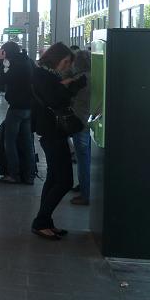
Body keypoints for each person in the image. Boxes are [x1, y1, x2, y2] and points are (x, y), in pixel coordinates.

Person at [31, 42, 84, 240]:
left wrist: (65, 85)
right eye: (66, 61)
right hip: (52, 132)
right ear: (57, 58)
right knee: (65, 181)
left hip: (52, 131)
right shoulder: (43, 75)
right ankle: (40, 222)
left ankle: (45, 221)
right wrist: (72, 87)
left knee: (54, 178)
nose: (67, 66)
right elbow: (55, 100)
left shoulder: (44, 74)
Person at [0, 41, 35, 185]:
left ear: (7, 52)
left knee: (10, 141)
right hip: (28, 107)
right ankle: (29, 175)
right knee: (27, 142)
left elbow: (2, 80)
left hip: (16, 107)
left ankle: (14, 174)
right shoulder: (27, 61)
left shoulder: (16, 64)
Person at [69, 49, 92, 206]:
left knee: (82, 159)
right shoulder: (95, 76)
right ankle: (85, 186)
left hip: (79, 122)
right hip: (91, 121)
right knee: (87, 157)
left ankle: (85, 193)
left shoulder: (79, 79)